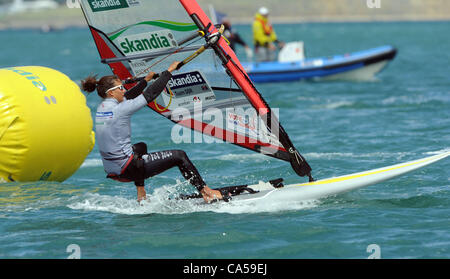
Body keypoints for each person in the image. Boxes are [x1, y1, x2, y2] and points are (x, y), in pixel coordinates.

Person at [81, 61, 223, 203]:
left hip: (113, 170)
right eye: (121, 88)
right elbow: (151, 94)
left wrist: (145, 80)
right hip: (128, 168)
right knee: (180, 156)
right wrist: (169, 71)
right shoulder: (120, 109)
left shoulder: (103, 108)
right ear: (111, 93)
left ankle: (141, 193)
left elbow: (128, 96)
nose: (124, 90)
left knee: (140, 147)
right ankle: (207, 192)